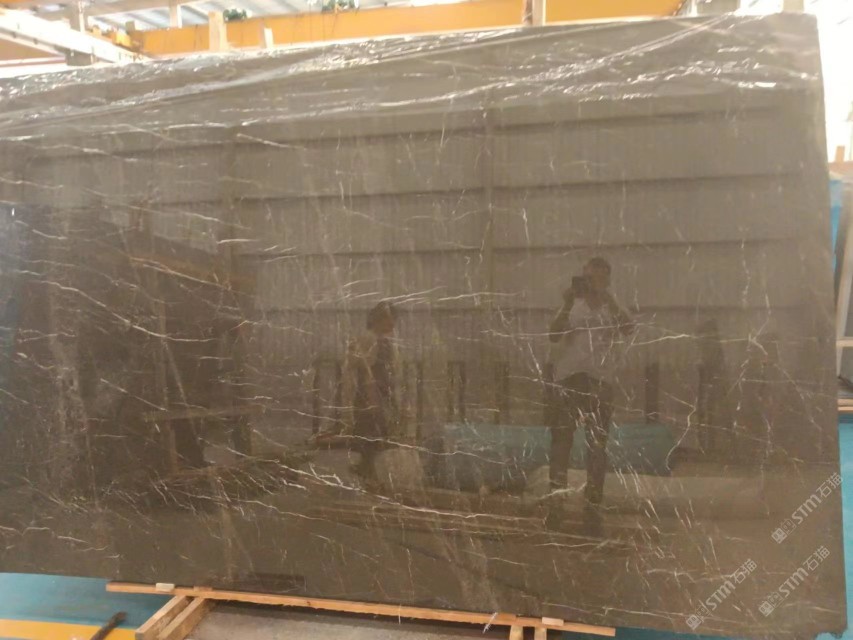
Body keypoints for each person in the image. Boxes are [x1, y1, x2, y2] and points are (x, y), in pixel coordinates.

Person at [546, 257, 634, 529]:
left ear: (607, 280)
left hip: (600, 381)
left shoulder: (612, 305)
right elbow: (553, 334)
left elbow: (628, 328)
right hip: (570, 378)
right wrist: (568, 302)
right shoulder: (572, 303)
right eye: (588, 278)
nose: (592, 283)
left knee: (597, 446)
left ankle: (593, 506)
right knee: (561, 442)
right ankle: (556, 505)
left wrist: (609, 299)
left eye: (599, 278)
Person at [341, 301, 403, 485]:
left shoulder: (385, 341)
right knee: (370, 430)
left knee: (380, 431)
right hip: (370, 392)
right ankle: (367, 469)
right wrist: (371, 394)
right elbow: (363, 368)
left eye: (393, 319)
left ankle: (368, 468)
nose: (392, 323)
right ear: (377, 320)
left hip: (383, 391)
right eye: (388, 319)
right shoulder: (368, 339)